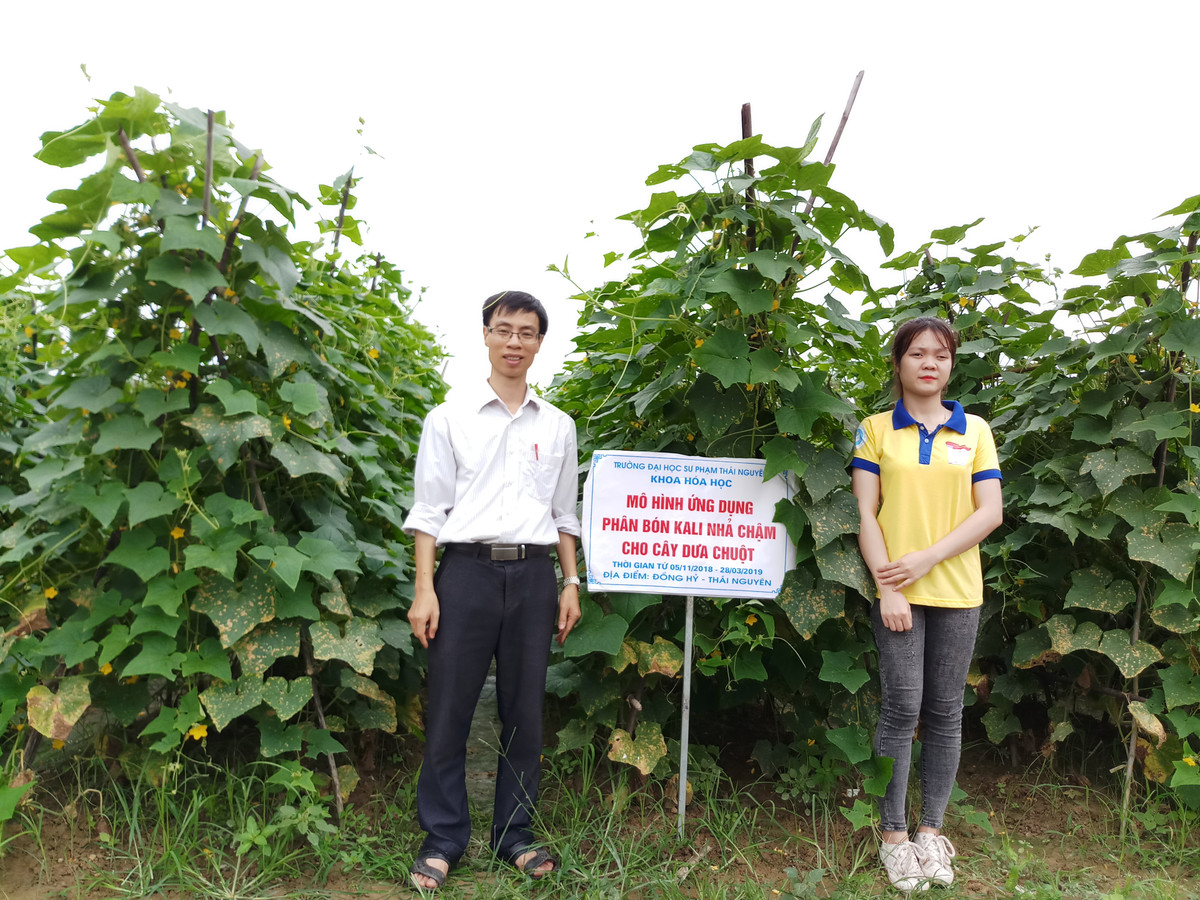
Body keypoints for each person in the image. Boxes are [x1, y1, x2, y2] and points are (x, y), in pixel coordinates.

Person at [402, 290, 582, 891]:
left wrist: (570, 582)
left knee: (524, 711)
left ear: (538, 343)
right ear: (484, 335)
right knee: (450, 707)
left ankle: (516, 835)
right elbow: (428, 512)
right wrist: (426, 588)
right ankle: (444, 836)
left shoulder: (558, 425)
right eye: (503, 330)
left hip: (534, 577)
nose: (514, 342)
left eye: (526, 332)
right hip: (467, 573)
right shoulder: (448, 419)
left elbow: (564, 515)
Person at [849, 316, 1003, 893]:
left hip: (958, 591)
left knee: (944, 712)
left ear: (951, 365)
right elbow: (866, 513)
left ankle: (931, 832)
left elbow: (989, 512)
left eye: (940, 354)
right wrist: (891, 585)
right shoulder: (875, 429)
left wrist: (925, 560)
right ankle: (893, 836)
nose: (929, 363)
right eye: (917, 353)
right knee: (900, 708)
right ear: (899, 363)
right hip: (897, 593)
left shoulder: (976, 431)